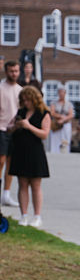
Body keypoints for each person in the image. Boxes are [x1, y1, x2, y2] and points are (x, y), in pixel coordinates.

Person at [7, 85, 50, 227]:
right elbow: (9, 129)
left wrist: (28, 126)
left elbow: (44, 134)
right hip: (20, 150)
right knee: (22, 183)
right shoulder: (21, 112)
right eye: (23, 100)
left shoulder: (44, 113)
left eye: (28, 100)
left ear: (35, 99)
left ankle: (37, 216)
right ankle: (24, 215)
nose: (26, 103)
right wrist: (16, 126)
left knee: (36, 185)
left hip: (35, 151)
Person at [0, 59, 23, 207]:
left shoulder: (20, 90)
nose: (14, 74)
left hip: (15, 130)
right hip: (1, 128)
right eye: (11, 71)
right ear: (6, 71)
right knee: (1, 161)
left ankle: (6, 194)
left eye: (16, 71)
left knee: (11, 163)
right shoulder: (1, 87)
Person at [48, 86, 74, 153]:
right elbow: (52, 112)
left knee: (65, 139)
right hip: (56, 124)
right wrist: (60, 116)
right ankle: (54, 152)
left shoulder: (69, 104)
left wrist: (64, 119)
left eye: (62, 92)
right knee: (55, 139)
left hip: (65, 124)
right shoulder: (54, 103)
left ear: (65, 93)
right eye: (60, 92)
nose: (61, 94)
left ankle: (65, 152)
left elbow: (71, 115)